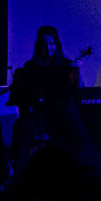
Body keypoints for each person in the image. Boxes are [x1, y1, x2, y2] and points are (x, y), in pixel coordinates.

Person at [11, 26, 86, 173]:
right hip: (39, 114)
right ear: (39, 45)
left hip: (60, 114)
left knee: (72, 130)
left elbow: (79, 89)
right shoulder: (31, 66)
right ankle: (21, 173)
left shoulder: (65, 64)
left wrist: (77, 70)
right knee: (21, 126)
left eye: (52, 44)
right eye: (45, 44)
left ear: (57, 45)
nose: (48, 47)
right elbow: (22, 93)